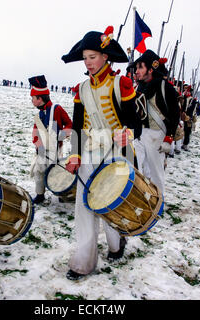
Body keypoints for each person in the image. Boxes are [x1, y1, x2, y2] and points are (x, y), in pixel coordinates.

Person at [61, 26, 142, 280]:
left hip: (116, 154)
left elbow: (135, 124)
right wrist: (74, 155)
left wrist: (126, 134)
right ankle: (82, 262)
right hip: (89, 153)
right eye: (85, 58)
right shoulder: (81, 89)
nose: (88, 63)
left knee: (110, 203)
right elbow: (76, 127)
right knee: (85, 206)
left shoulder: (122, 83)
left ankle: (116, 244)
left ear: (105, 57)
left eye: (92, 57)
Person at [130, 49, 180, 194]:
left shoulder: (166, 87)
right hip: (140, 134)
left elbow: (175, 114)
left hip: (157, 134)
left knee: (156, 173)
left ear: (150, 70)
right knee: (138, 170)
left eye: (140, 67)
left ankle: (158, 204)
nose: (137, 71)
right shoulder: (140, 86)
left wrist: (169, 137)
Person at [29, 75, 72, 204]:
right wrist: (38, 146)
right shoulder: (38, 115)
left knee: (57, 171)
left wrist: (61, 136)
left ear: (39, 98)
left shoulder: (57, 109)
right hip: (43, 149)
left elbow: (69, 124)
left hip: (55, 147)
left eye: (33, 98)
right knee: (38, 171)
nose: (32, 101)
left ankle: (62, 193)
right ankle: (40, 194)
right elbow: (35, 134)